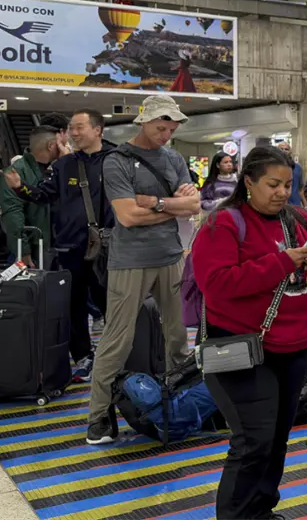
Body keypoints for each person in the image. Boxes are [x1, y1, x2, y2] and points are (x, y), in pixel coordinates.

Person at [192, 145, 307, 520]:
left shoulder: (299, 220)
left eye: (287, 184)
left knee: (276, 437)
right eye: (272, 184)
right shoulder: (224, 223)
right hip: (240, 345)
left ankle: (260, 511)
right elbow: (216, 284)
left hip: (294, 347)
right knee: (253, 439)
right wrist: (281, 262)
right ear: (249, 182)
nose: (281, 192)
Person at [87, 96, 202, 445]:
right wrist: (174, 206)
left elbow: (194, 205)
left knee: (178, 336)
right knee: (116, 339)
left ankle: (175, 405)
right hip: (130, 260)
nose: (166, 134)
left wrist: (153, 202)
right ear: (143, 122)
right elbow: (126, 216)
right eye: (160, 127)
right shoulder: (117, 161)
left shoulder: (173, 158)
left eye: (171, 129)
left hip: (171, 256)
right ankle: (98, 417)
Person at [2, 110, 116, 380]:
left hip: (110, 247)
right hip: (69, 247)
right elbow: (43, 194)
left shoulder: (116, 160)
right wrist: (20, 188)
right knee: (74, 305)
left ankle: (116, 355)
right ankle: (83, 357)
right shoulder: (64, 165)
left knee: (113, 303)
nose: (74, 134)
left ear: (98, 130)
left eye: (79, 128)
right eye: (72, 129)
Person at [0, 126, 60, 266]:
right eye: (62, 143)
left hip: (67, 243)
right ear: (51, 146)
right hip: (39, 246)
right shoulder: (16, 172)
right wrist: (23, 252)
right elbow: (13, 214)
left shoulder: (62, 168)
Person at [276, 141, 304, 208]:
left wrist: (306, 205)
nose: (284, 151)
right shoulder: (273, 168)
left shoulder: (298, 168)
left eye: (286, 149)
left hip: (296, 204)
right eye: (281, 149)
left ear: (290, 152)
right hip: (280, 204)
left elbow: (300, 189)